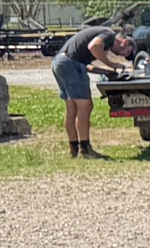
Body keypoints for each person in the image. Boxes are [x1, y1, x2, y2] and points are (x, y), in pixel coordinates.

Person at [52, 25, 135, 160]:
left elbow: (86, 64)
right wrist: (112, 64)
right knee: (85, 106)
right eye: (125, 52)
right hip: (70, 64)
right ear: (125, 42)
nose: (120, 55)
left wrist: (106, 72)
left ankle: (74, 148)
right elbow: (94, 46)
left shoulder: (100, 40)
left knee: (72, 107)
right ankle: (85, 150)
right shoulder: (109, 34)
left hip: (59, 62)